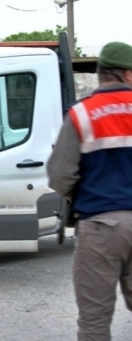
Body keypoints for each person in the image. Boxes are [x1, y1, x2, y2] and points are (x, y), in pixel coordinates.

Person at [47, 41, 132, 341]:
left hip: (100, 226)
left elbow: (59, 176)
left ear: (100, 74)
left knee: (94, 321)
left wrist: (78, 194)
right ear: (128, 75)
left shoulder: (82, 114)